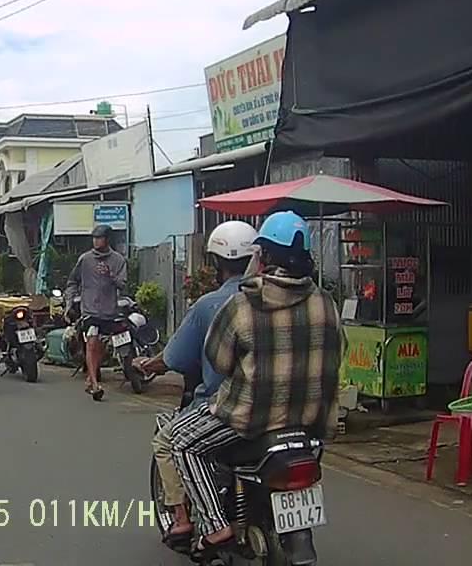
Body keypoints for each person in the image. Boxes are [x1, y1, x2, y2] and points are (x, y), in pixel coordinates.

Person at [167, 211, 341, 558]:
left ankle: (215, 527)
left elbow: (218, 361)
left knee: (180, 441)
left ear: (265, 257)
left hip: (249, 419)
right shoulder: (327, 303)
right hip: (310, 421)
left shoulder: (243, 304)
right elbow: (338, 352)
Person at [134, 220, 257, 548]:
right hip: (280, 406)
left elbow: (174, 358)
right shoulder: (272, 300)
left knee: (169, 439)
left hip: (224, 406)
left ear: (216, 264)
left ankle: (185, 519)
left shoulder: (210, 305)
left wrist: (147, 365)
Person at [63, 223, 128, 401]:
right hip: (89, 309)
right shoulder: (85, 259)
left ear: (108, 240)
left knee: (101, 346)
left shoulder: (118, 260)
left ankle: (90, 378)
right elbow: (72, 282)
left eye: (99, 238)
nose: (96, 241)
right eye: (94, 238)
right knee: (91, 342)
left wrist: (110, 275)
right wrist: (69, 304)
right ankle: (94, 383)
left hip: (108, 310)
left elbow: (123, 284)